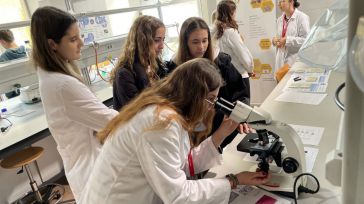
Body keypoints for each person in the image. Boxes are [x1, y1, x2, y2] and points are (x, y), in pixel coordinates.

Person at [80, 58, 270, 204]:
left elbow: (180, 164)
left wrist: (221, 133)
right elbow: (178, 195)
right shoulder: (161, 122)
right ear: (195, 96)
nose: (212, 107)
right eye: (211, 99)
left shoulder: (167, 111)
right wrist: (233, 181)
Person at [30, 6, 118, 201]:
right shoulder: (62, 84)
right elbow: (110, 121)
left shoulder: (49, 75)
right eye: (72, 39)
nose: (81, 43)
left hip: (82, 166)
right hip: (92, 171)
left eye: (79, 36)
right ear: (52, 44)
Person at [167, 17, 249, 148]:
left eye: (204, 41)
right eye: (195, 42)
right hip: (190, 133)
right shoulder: (174, 68)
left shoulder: (221, 61)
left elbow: (239, 92)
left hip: (220, 126)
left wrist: (240, 117)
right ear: (185, 42)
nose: (201, 47)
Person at [111, 15, 169, 111]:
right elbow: (138, 112)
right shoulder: (125, 74)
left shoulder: (154, 64)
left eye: (163, 39)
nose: (162, 46)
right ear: (142, 41)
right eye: (157, 40)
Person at [213, 0, 254, 99]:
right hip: (239, 77)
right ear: (231, 13)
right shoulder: (231, 32)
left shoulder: (213, 31)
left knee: (228, 110)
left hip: (222, 79)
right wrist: (250, 69)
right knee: (243, 109)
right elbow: (243, 55)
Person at [272, 0, 310, 71]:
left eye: (283, 1)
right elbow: (279, 37)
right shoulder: (280, 20)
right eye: (279, 2)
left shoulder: (302, 17)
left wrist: (288, 40)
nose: (279, 4)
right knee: (280, 81)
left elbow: (306, 40)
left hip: (294, 63)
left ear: (291, 2)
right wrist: (275, 40)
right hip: (280, 62)